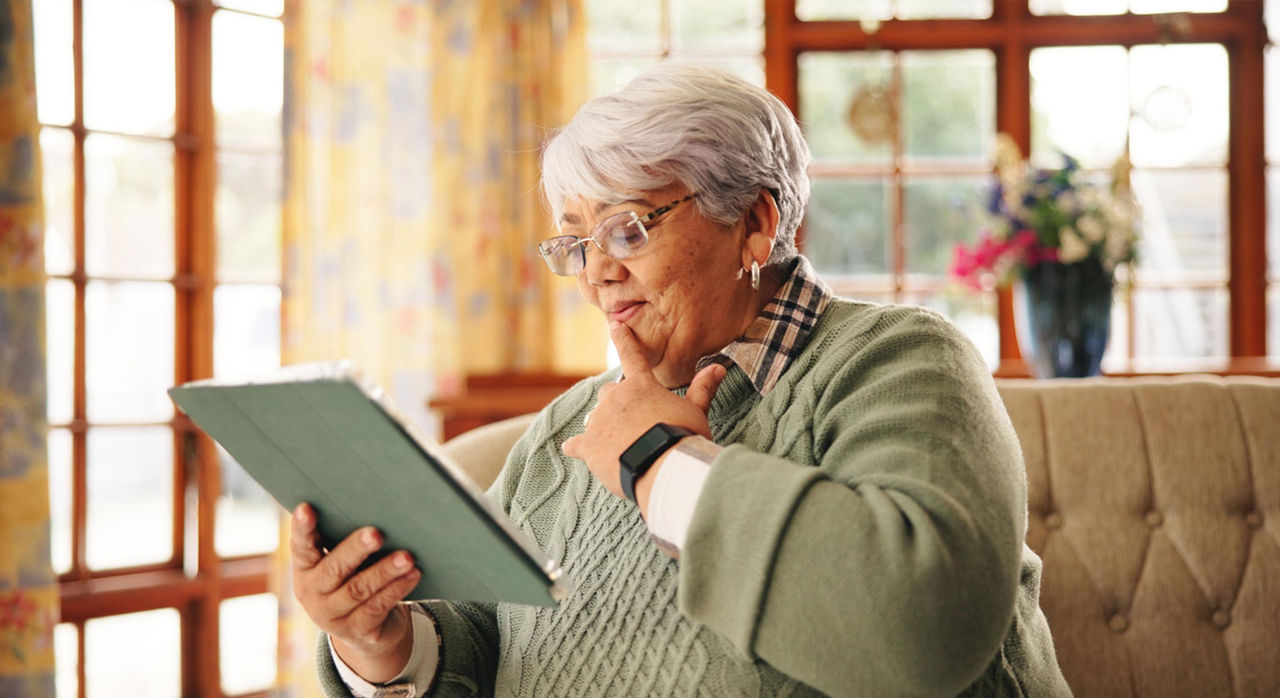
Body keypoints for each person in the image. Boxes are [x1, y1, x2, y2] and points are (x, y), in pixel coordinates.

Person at [290, 62, 1071, 697]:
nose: (596, 271)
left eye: (627, 229)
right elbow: (482, 634)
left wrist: (659, 463)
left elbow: (923, 631)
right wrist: (382, 642)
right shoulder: (569, 426)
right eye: (576, 243)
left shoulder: (899, 361)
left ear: (755, 224)